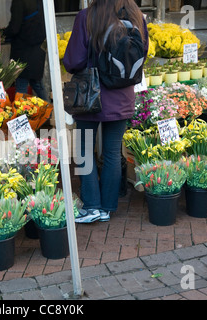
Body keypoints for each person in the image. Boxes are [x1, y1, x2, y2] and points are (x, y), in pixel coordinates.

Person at [63, 0, 149, 223]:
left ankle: (91, 206)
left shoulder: (87, 16)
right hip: (122, 95)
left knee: (84, 151)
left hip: (90, 96)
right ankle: (107, 208)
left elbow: (74, 60)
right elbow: (142, 53)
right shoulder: (136, 15)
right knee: (112, 152)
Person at [2, 0, 48, 100]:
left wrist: (3, 32)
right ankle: (51, 112)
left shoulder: (19, 2)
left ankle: (22, 114)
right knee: (37, 84)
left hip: (23, 49)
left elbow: (14, 28)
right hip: (38, 48)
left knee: (21, 85)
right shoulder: (41, 1)